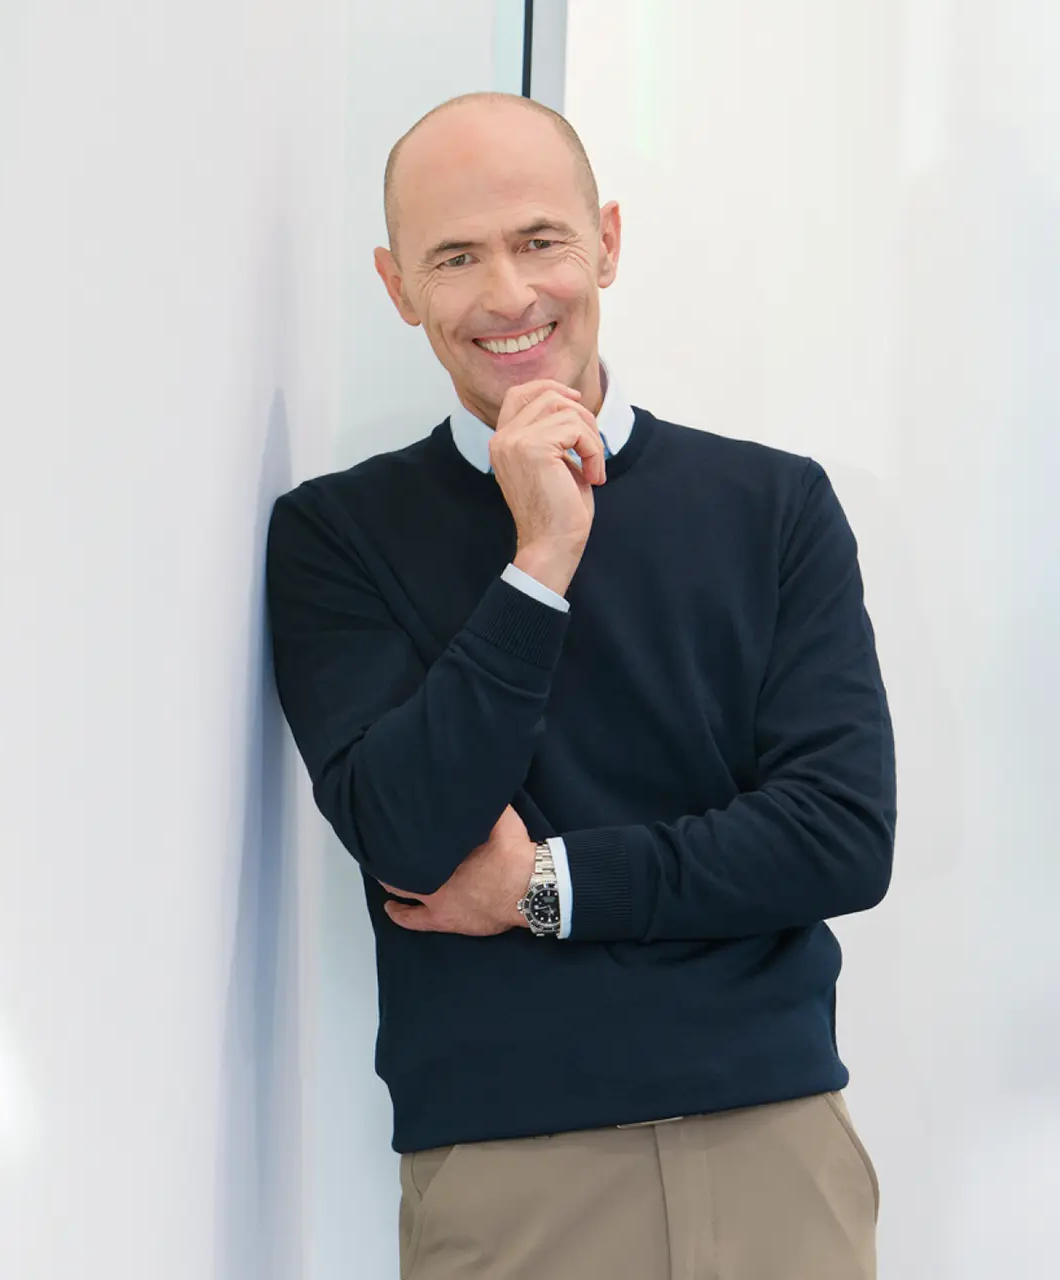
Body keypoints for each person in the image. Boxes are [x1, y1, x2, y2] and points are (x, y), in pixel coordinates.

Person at [264, 92, 894, 1279]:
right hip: (511, 1172)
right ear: (399, 286)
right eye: (456, 256)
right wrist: (539, 559)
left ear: (606, 240)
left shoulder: (775, 507)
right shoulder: (336, 535)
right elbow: (408, 835)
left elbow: (839, 838)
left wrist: (542, 885)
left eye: (539, 239)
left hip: (776, 1150)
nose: (508, 294)